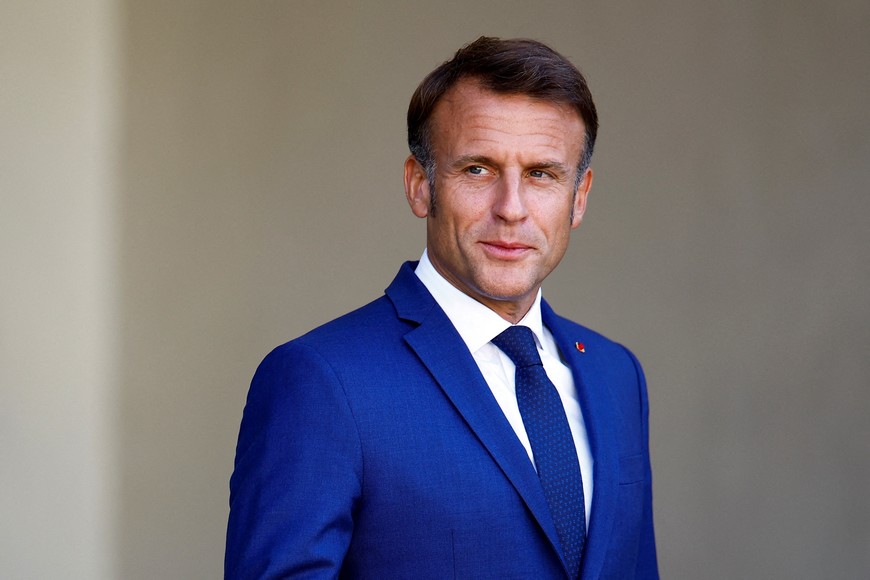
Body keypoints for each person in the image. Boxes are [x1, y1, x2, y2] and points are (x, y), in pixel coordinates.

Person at [226, 36, 658, 579]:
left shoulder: (616, 375)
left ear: (580, 196)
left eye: (542, 174)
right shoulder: (320, 381)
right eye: (478, 169)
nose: (511, 208)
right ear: (420, 186)